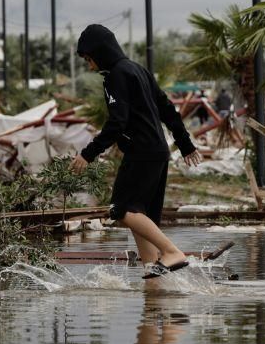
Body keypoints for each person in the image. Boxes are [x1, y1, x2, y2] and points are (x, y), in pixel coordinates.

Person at [69, 24, 202, 279]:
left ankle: (172, 252)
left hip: (141, 152)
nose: (90, 66)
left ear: (100, 52)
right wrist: (185, 144)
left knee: (121, 209)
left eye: (89, 59)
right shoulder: (138, 70)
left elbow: (117, 123)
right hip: (158, 151)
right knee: (140, 217)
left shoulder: (115, 76)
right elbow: (167, 108)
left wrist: (88, 153)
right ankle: (153, 284)